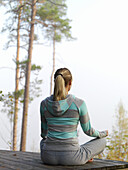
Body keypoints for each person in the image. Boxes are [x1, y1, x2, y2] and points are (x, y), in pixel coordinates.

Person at [40, 68, 108, 165]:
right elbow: (88, 131)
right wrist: (103, 133)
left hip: (47, 157)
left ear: (55, 82)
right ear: (70, 83)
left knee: (43, 141)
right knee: (102, 141)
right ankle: (85, 156)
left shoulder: (44, 104)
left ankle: (81, 154)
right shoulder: (79, 103)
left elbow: (44, 134)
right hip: (72, 157)